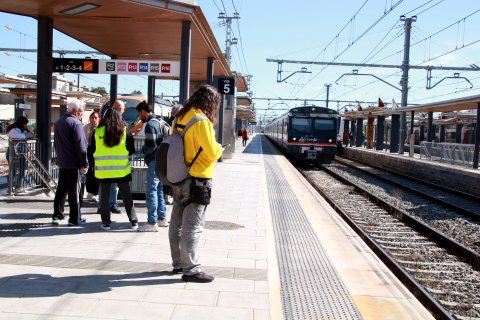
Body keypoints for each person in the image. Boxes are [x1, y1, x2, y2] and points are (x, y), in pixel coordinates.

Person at [168, 84, 223, 283]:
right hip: (197, 178)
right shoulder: (202, 121)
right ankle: (190, 269)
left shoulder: (180, 116)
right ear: (211, 102)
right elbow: (210, 151)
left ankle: (178, 263)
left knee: (176, 223)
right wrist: (219, 149)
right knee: (192, 225)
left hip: (178, 176)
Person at [90, 108, 138, 231]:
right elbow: (132, 150)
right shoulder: (125, 131)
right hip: (121, 171)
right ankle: (133, 221)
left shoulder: (97, 132)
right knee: (127, 196)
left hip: (103, 171)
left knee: (104, 198)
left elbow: (91, 151)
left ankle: (106, 223)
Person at [52, 99, 88, 226]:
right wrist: (84, 163)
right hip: (74, 162)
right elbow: (81, 146)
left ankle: (57, 215)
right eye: (82, 111)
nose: (82, 113)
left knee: (61, 189)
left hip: (63, 161)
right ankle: (74, 218)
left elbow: (56, 143)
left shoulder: (59, 122)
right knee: (74, 191)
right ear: (75, 111)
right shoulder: (76, 124)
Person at [136, 101, 170, 231]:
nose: (139, 118)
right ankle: (162, 218)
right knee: (159, 189)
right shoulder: (160, 122)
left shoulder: (150, 125)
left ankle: (152, 222)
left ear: (143, 112)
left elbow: (151, 146)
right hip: (162, 160)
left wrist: (143, 151)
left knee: (151, 190)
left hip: (154, 161)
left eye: (139, 114)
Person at [6, 116, 31, 193]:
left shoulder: (21, 130)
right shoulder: (13, 130)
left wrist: (29, 132)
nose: (25, 126)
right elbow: (21, 137)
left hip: (21, 153)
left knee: (22, 169)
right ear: (21, 123)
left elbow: (29, 134)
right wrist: (28, 134)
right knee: (13, 170)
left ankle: (19, 186)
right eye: (25, 124)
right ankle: (10, 187)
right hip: (13, 153)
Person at [83, 111, 99, 202]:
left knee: (96, 172)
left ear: (98, 118)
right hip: (88, 150)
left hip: (97, 151)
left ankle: (96, 192)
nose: (94, 119)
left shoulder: (100, 128)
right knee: (88, 172)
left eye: (95, 117)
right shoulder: (86, 127)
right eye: (92, 117)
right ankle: (89, 191)